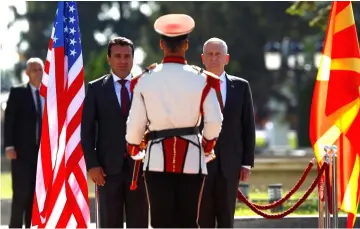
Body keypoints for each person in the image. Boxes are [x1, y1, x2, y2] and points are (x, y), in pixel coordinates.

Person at [125, 14, 223, 228]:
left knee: (160, 222)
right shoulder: (202, 79)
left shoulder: (144, 80)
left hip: (156, 159)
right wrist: (206, 146)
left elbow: (134, 126)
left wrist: (134, 147)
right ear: (186, 45)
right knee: (188, 221)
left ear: (161, 44)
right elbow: (214, 121)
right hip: (192, 159)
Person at [81, 37, 148, 228]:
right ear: (109, 59)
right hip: (107, 172)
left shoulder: (145, 87)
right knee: (109, 224)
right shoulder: (95, 89)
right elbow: (86, 131)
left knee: (140, 223)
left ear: (133, 59)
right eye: (117, 56)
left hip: (140, 171)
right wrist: (92, 165)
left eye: (127, 56)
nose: (123, 60)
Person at [198, 37, 256, 228]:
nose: (214, 58)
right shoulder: (193, 86)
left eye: (218, 54)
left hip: (230, 165)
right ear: (203, 58)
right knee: (202, 218)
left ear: (227, 58)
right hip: (200, 164)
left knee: (226, 218)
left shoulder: (241, 87)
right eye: (210, 54)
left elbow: (248, 126)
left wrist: (246, 162)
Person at [4, 57, 44, 228]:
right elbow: (9, 121)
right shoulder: (17, 92)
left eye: (40, 69)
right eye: (34, 69)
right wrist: (9, 146)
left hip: (42, 155)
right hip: (21, 154)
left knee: (36, 197)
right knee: (21, 195)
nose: (38, 73)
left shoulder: (48, 93)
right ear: (27, 73)